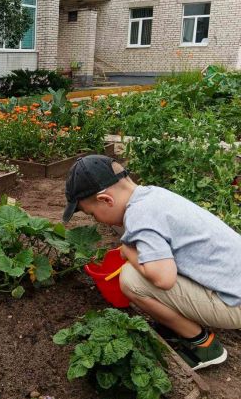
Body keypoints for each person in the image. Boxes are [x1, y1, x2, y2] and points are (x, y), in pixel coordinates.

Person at [62, 154, 241, 370]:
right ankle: (174, 324)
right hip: (233, 283)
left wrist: (128, 252)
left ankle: (204, 346)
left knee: (131, 280)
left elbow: (164, 279)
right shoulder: (153, 195)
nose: (96, 220)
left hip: (235, 304)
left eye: (92, 214)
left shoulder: (139, 215)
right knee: (147, 263)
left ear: (106, 200)